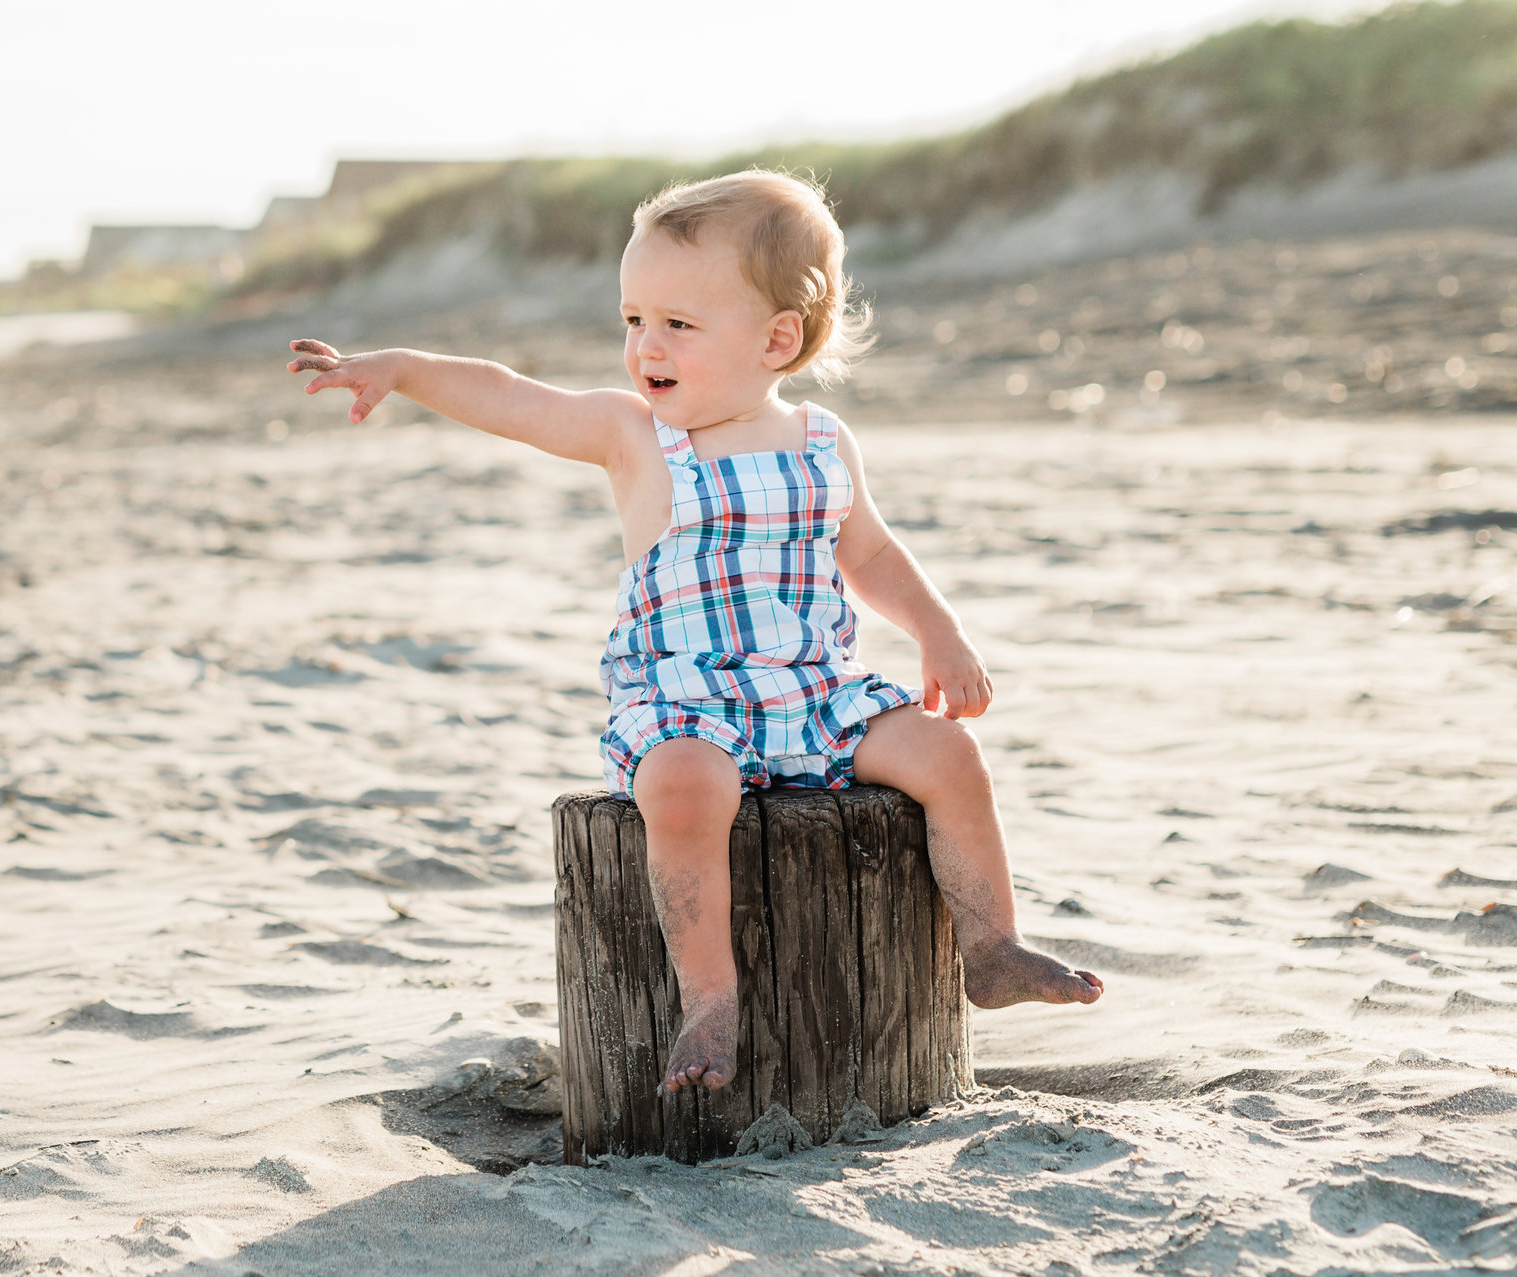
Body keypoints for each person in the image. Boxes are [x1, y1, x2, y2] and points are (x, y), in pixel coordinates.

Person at [286, 169, 1101, 1093]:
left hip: (814, 691)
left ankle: (990, 947)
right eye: (633, 319)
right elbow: (511, 394)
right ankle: (709, 999)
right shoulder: (635, 436)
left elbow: (868, 552)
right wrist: (399, 368)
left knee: (947, 756)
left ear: (777, 338)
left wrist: (938, 631)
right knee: (679, 789)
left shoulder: (822, 443)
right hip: (688, 699)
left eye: (678, 323)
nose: (645, 346)